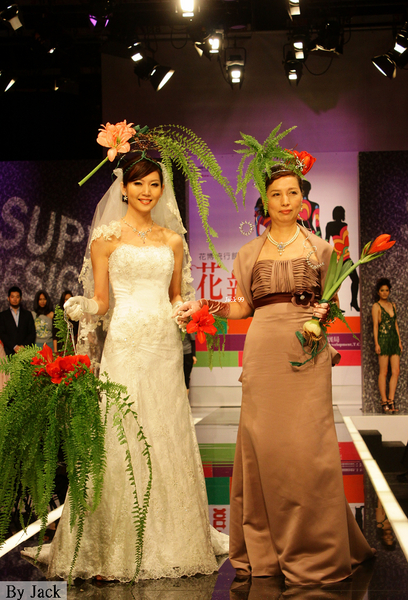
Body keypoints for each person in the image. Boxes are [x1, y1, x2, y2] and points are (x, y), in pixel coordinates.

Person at [175, 140, 374, 586]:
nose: (285, 202)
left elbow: (333, 305)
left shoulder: (323, 250)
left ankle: (318, 544)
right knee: (265, 448)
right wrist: (206, 305)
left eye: (292, 193)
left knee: (309, 450)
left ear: (303, 199)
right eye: (276, 194)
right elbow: (243, 308)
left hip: (307, 353)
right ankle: (266, 545)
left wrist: (324, 314)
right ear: (265, 201)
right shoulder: (249, 253)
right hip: (264, 353)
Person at [23, 156, 228, 581]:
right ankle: (110, 541)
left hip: (164, 344)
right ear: (123, 188)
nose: (146, 191)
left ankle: (175, 536)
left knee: (165, 428)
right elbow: (101, 301)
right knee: (120, 430)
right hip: (124, 342)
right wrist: (82, 305)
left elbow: (175, 295)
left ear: (162, 190)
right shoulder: (105, 239)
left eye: (154, 184)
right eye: (139, 184)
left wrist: (185, 309)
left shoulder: (173, 240)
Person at [371, 278, 402, 414]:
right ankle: (384, 401)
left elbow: (395, 324)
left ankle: (391, 400)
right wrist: (376, 343)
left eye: (387, 290)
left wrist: (399, 341)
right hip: (383, 340)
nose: (384, 293)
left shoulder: (393, 305)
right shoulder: (376, 306)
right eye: (382, 290)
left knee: (396, 371)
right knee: (383, 372)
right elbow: (375, 326)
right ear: (378, 292)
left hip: (394, 340)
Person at [325, 206, 360, 312]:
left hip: (345, 257)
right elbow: (327, 241)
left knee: (355, 279)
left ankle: (353, 302)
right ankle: (336, 305)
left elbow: (345, 242)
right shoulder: (331, 225)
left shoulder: (343, 225)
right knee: (335, 283)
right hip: (337, 257)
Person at [0, 286, 36, 356]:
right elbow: (2, 334)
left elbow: (32, 333)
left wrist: (23, 346)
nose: (15, 299)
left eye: (17, 297)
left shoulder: (28, 314)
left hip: (25, 351)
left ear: (21, 298)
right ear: (8, 298)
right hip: (9, 352)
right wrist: (14, 347)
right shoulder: (2, 315)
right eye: (12, 297)